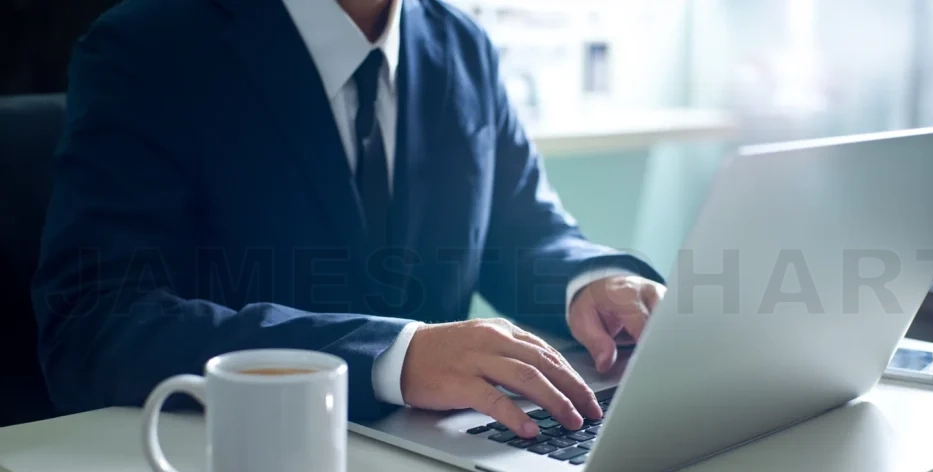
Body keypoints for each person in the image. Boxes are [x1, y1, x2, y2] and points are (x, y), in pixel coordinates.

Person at [31, 0, 666, 439]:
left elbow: (518, 233)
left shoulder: (461, 44)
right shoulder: (149, 47)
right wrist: (392, 357)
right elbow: (97, 319)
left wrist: (592, 281)